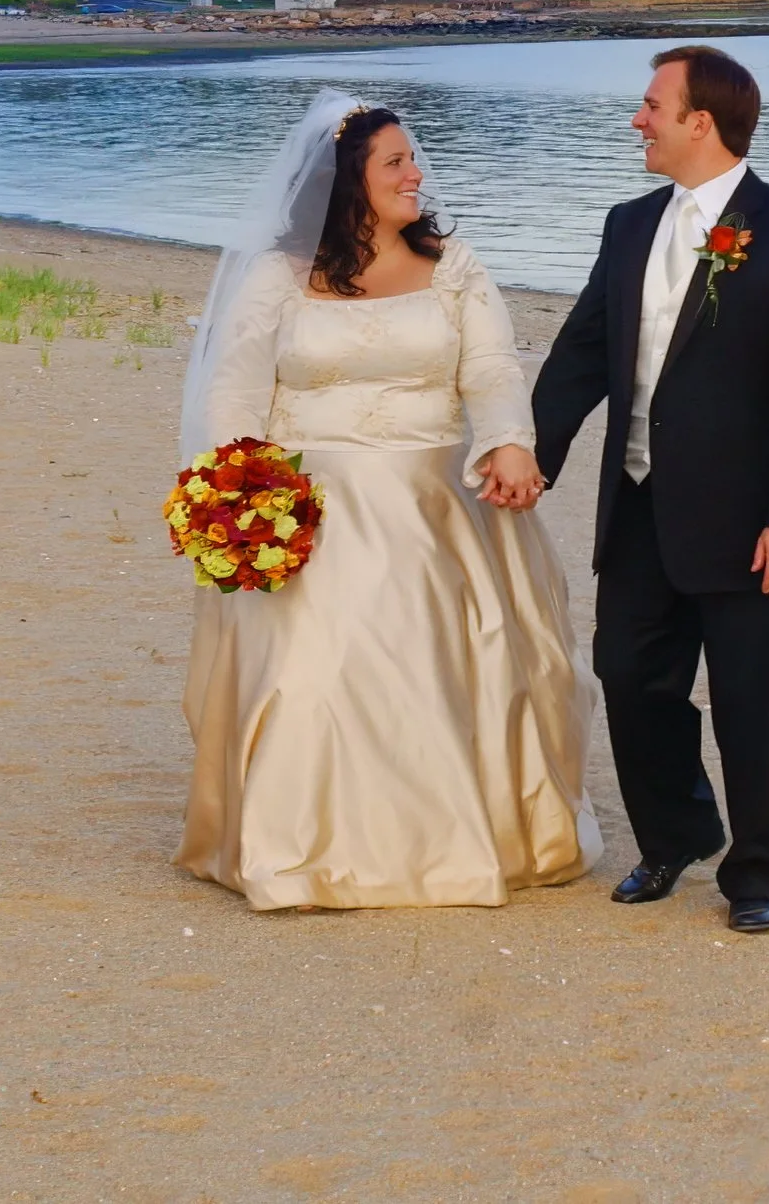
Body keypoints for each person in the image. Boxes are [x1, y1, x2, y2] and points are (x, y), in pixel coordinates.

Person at [175, 88, 598, 909]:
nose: (416, 175)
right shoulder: (278, 277)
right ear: (346, 181)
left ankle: (454, 843)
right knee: (312, 675)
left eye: (413, 159)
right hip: (314, 507)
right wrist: (246, 490)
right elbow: (235, 393)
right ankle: (298, 848)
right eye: (396, 162)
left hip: (435, 498)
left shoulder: (455, 266)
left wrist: (509, 439)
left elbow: (491, 371)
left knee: (446, 675)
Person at [532, 45, 769, 934]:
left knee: (750, 694)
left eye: (652, 106)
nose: (639, 119)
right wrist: (531, 454)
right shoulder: (628, 224)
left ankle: (755, 869)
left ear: (699, 122)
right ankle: (674, 835)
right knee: (630, 678)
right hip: (636, 505)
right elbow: (583, 353)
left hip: (746, 518)